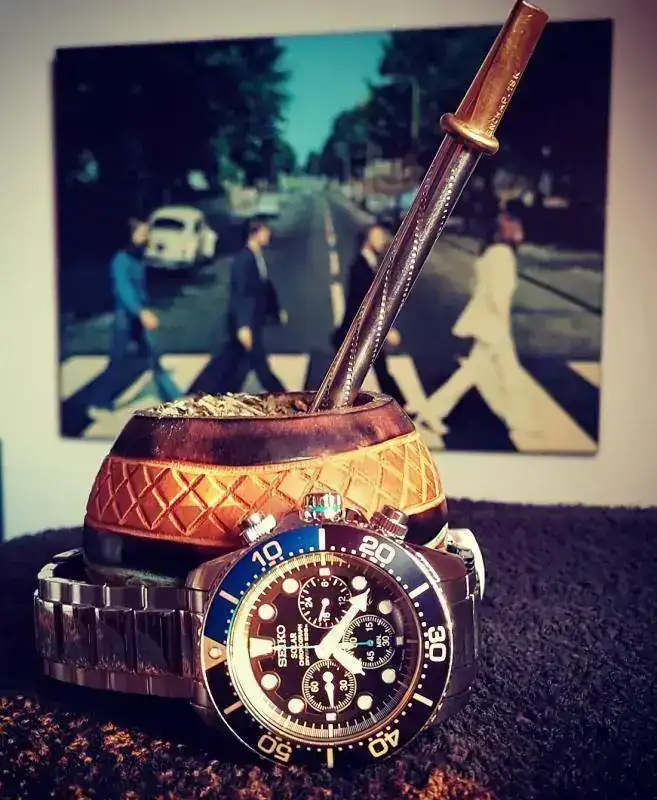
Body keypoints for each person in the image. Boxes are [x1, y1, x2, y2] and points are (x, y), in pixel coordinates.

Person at [427, 201, 538, 438]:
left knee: (486, 374)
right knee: (499, 375)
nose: (521, 231)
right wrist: (504, 327)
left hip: (489, 324)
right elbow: (498, 297)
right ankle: (520, 422)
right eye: (517, 226)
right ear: (507, 229)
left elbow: (478, 288)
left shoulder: (490, 253)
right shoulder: (502, 255)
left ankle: (434, 410)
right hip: (494, 326)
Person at [86, 217, 180, 418]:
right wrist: (141, 311)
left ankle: (175, 398)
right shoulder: (120, 260)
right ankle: (98, 403)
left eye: (147, 232)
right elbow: (124, 290)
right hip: (125, 320)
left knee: (153, 358)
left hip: (138, 318)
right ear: (130, 235)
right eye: (142, 233)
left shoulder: (138, 257)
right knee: (117, 362)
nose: (146, 236)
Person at [332, 222, 409, 412]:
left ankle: (400, 404)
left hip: (362, 330)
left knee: (371, 370)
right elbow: (366, 304)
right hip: (357, 331)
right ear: (367, 240)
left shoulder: (369, 263)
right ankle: (400, 405)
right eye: (378, 237)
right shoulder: (360, 267)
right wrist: (387, 329)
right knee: (350, 374)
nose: (383, 241)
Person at [216, 217, 287, 393]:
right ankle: (284, 395)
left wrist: (276, 311)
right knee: (260, 365)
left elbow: (264, 288)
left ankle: (218, 395)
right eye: (265, 232)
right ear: (256, 233)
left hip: (253, 320)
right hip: (247, 323)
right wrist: (243, 326)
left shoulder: (256, 257)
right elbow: (242, 294)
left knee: (233, 365)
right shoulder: (244, 260)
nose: (269, 235)